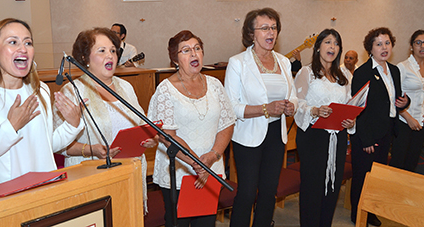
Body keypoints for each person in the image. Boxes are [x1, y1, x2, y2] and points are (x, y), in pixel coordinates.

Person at [0, 18, 84, 192]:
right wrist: (10, 128)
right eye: (13, 42)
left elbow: (45, 145)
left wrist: (72, 125)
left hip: (42, 192)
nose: (23, 49)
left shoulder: (40, 91)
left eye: (28, 42)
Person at [53, 27, 156, 212]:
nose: (110, 55)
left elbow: (142, 124)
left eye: (113, 51)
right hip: (90, 180)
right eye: (102, 51)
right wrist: (90, 150)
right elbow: (58, 144)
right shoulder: (72, 91)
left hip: (128, 176)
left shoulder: (126, 87)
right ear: (85, 58)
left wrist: (150, 138)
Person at [147, 30, 235, 227]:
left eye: (197, 49)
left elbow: (227, 123)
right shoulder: (165, 89)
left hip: (211, 167)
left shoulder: (214, 84)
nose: (194, 54)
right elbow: (166, 135)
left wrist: (212, 156)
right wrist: (197, 163)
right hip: (180, 170)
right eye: (185, 50)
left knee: (206, 223)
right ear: (175, 60)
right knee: (178, 222)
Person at [224, 8, 297, 227]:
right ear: (251, 33)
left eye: (274, 28)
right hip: (248, 136)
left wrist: (291, 106)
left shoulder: (284, 62)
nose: (271, 32)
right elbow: (231, 107)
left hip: (276, 134)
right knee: (246, 193)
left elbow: (292, 95)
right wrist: (266, 109)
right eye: (264, 28)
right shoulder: (238, 62)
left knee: (268, 192)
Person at [294, 28, 355, 227]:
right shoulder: (307, 72)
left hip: (337, 137)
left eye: (336, 44)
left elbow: (349, 104)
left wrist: (351, 120)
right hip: (313, 136)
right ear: (318, 46)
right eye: (328, 42)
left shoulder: (344, 75)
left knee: (333, 185)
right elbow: (296, 104)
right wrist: (314, 110)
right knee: (313, 186)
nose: (332, 47)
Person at [350, 27, 410, 226]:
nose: (384, 48)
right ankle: (357, 214)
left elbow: (396, 99)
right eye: (378, 44)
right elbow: (358, 109)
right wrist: (365, 139)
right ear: (370, 49)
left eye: (387, 43)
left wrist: (405, 102)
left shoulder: (394, 70)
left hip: (386, 133)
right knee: (363, 176)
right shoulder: (362, 73)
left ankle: (372, 212)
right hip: (367, 136)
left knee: (377, 177)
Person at [390, 30, 424, 172]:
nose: (422, 46)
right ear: (411, 46)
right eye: (418, 43)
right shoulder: (402, 67)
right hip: (404, 121)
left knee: (412, 162)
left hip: (421, 122)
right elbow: (394, 97)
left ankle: (405, 193)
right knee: (398, 162)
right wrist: (408, 118)